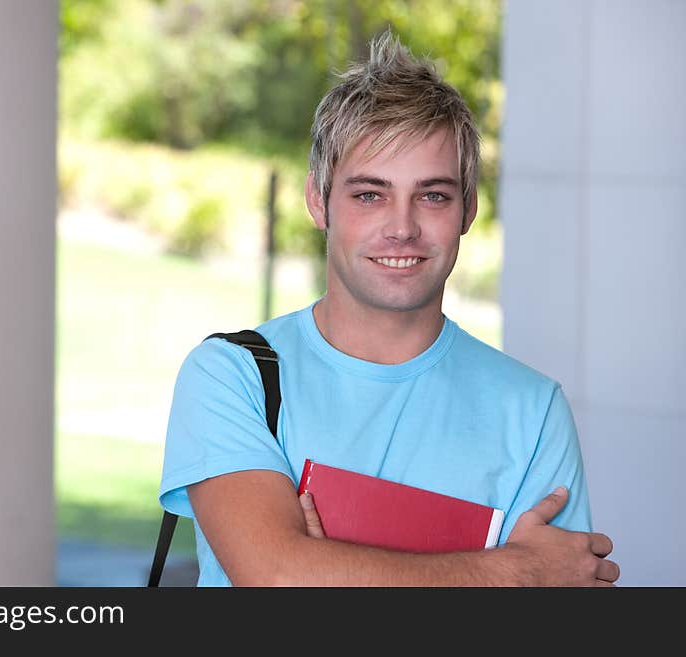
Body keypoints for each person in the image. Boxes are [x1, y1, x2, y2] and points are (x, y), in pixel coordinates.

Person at [158, 30, 619, 586]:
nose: (402, 227)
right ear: (317, 200)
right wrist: (512, 572)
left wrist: (331, 570)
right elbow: (278, 578)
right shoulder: (235, 377)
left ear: (468, 208)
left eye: (433, 195)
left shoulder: (533, 412)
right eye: (369, 194)